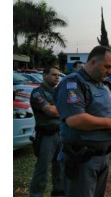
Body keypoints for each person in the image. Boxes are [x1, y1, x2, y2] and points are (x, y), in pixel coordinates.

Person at [54, 46, 111, 197]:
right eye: (107, 67)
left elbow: (106, 112)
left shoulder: (101, 84)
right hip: (82, 159)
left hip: (103, 156)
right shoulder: (73, 83)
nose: (109, 71)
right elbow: (75, 119)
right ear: (93, 62)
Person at [29, 66, 64, 197]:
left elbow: (57, 109)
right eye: (54, 74)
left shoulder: (59, 92)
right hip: (46, 136)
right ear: (44, 76)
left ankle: (59, 192)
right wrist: (64, 109)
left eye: (58, 75)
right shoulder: (37, 92)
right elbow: (50, 111)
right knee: (42, 169)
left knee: (60, 166)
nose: (57, 77)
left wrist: (57, 109)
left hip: (60, 133)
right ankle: (36, 194)